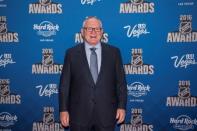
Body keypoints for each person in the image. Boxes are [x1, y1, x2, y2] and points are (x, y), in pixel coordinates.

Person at [59, 16, 127, 131]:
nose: (93, 32)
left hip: (107, 115)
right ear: (82, 31)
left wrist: (121, 107)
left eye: (97, 29)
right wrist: (63, 110)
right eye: (89, 29)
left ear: (102, 32)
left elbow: (121, 83)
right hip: (79, 115)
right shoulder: (71, 54)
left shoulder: (114, 53)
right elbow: (64, 85)